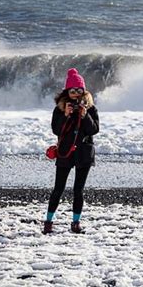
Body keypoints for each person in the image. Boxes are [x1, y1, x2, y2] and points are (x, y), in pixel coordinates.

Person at [43, 68, 100, 234]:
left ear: (84, 91)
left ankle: (76, 223)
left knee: (78, 190)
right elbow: (56, 130)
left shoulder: (90, 109)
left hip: (84, 154)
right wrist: (66, 115)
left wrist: (84, 116)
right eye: (73, 90)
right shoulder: (60, 109)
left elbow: (94, 130)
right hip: (65, 153)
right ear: (67, 91)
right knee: (58, 189)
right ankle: (48, 221)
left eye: (79, 90)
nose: (76, 94)